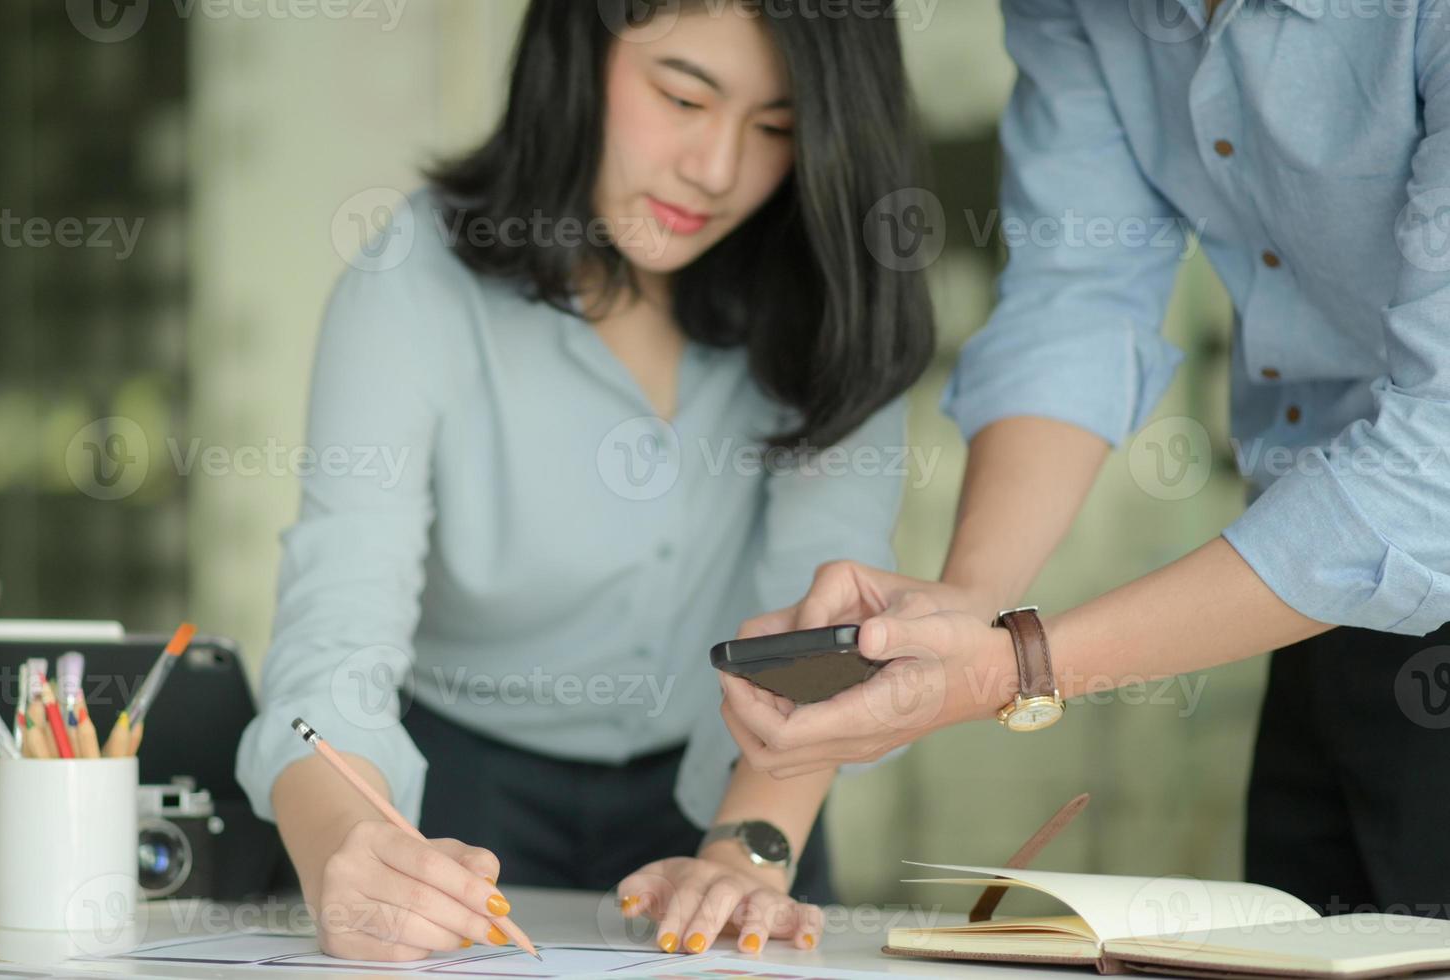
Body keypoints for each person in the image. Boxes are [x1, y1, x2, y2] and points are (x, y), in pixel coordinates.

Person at [719, 0, 1450, 920]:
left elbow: (1435, 470)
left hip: (1390, 530)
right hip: (1305, 581)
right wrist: (970, 604)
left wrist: (1009, 668)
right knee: (1303, 943)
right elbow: (1076, 295)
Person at [235, 0, 933, 961]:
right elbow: (337, 624)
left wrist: (747, 856)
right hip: (455, 797)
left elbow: (824, 619)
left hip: (755, 792)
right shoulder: (416, 275)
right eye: (683, 96)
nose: (718, 170)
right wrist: (344, 843)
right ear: (577, 49)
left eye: (777, 127)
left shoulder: (833, 298)